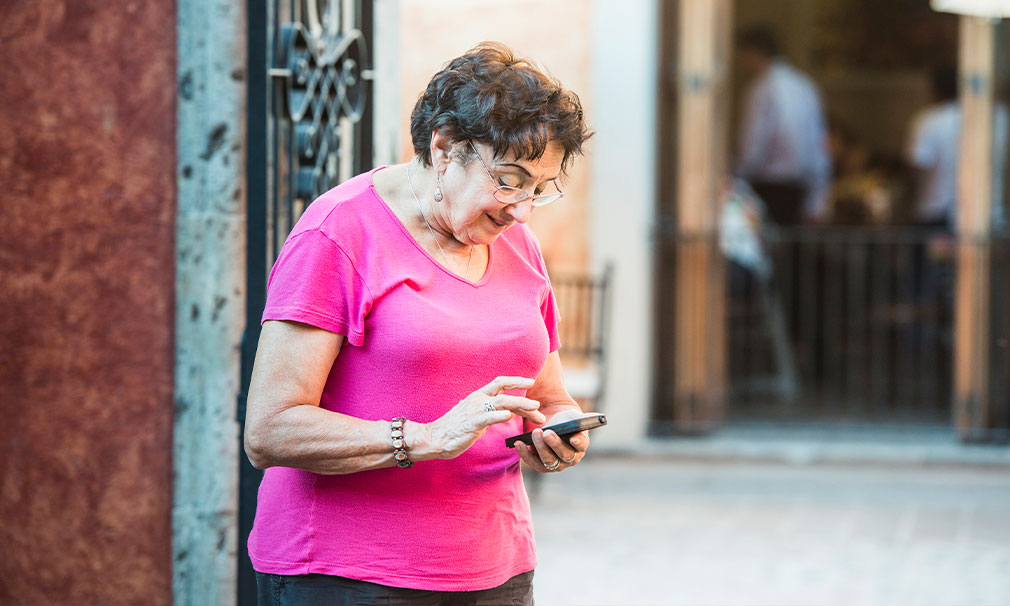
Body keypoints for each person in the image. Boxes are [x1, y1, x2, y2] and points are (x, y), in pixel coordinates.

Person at [243, 42, 594, 605]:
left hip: (496, 568)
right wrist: (428, 438)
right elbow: (270, 430)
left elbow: (550, 397)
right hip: (349, 573)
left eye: (539, 188)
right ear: (446, 147)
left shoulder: (517, 243)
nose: (521, 209)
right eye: (508, 180)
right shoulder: (337, 232)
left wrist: (558, 430)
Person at [735, 26, 831, 225]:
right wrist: (818, 196)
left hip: (768, 187)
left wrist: (739, 179)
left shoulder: (762, 89)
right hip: (800, 187)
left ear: (754, 52)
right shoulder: (804, 86)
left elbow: (753, 143)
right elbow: (819, 144)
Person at [906, 65, 1009, 231]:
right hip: (990, 215)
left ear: (936, 90)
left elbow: (917, 167)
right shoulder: (1000, 117)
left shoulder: (931, 121)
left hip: (939, 214)